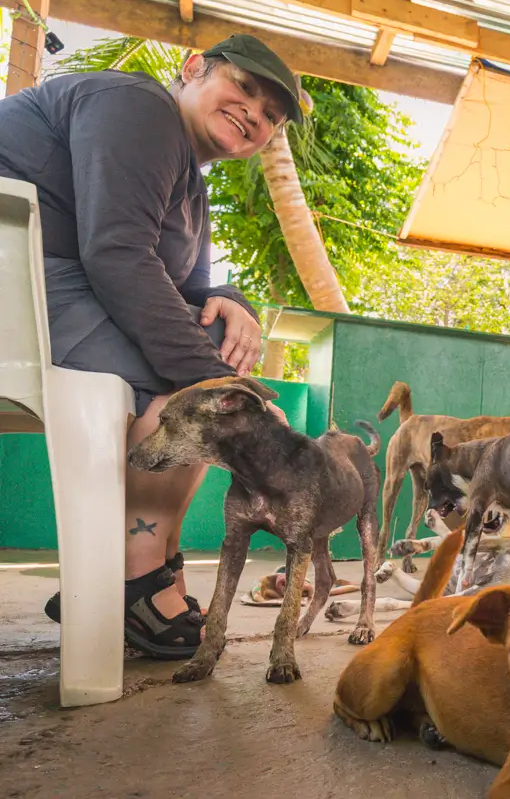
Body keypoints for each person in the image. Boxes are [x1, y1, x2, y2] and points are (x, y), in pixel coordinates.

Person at [0, 35, 303, 659]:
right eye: (244, 88)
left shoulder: (187, 181)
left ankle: (153, 556)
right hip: (18, 278)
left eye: (271, 114)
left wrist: (234, 304)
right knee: (201, 392)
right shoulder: (138, 106)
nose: (255, 114)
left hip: (56, 282)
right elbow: (116, 254)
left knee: (206, 350)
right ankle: (134, 573)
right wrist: (223, 384)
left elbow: (188, 284)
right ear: (193, 69)